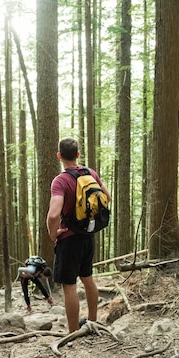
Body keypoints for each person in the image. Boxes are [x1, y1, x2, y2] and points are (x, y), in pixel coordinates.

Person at [46, 137, 111, 332]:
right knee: (88, 277)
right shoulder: (91, 173)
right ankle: (92, 321)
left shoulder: (61, 181)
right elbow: (107, 197)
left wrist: (53, 233)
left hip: (69, 239)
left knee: (69, 285)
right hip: (88, 235)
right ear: (78, 154)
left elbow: (53, 214)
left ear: (59, 156)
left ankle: (73, 331)